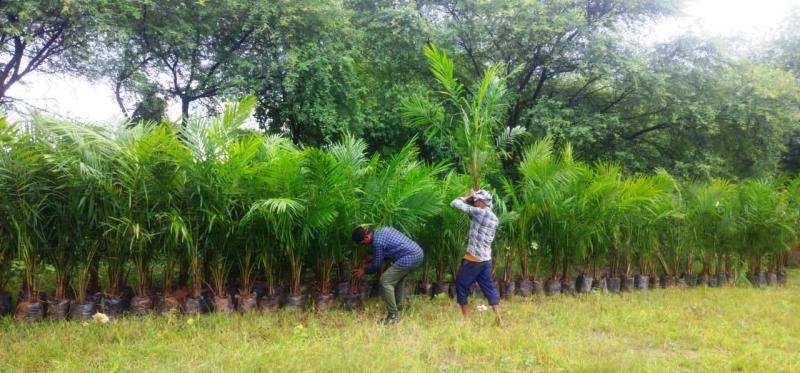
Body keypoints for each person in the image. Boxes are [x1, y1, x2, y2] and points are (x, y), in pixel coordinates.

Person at [351, 225, 424, 325]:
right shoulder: (380, 229)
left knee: (385, 280)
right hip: (416, 252)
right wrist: (373, 258)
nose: (365, 245)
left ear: (366, 237)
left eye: (363, 243)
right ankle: (399, 308)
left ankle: (393, 316)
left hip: (410, 256)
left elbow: (376, 265)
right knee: (397, 280)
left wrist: (364, 271)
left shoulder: (377, 242)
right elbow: (391, 249)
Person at [451, 188, 503, 326]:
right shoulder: (494, 218)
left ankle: (466, 321)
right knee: (489, 288)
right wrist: (475, 197)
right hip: (486, 259)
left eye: (476, 201)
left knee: (461, 285)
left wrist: (468, 196)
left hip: (473, 259)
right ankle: (499, 319)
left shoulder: (480, 213)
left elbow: (454, 203)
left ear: (481, 202)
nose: (474, 203)